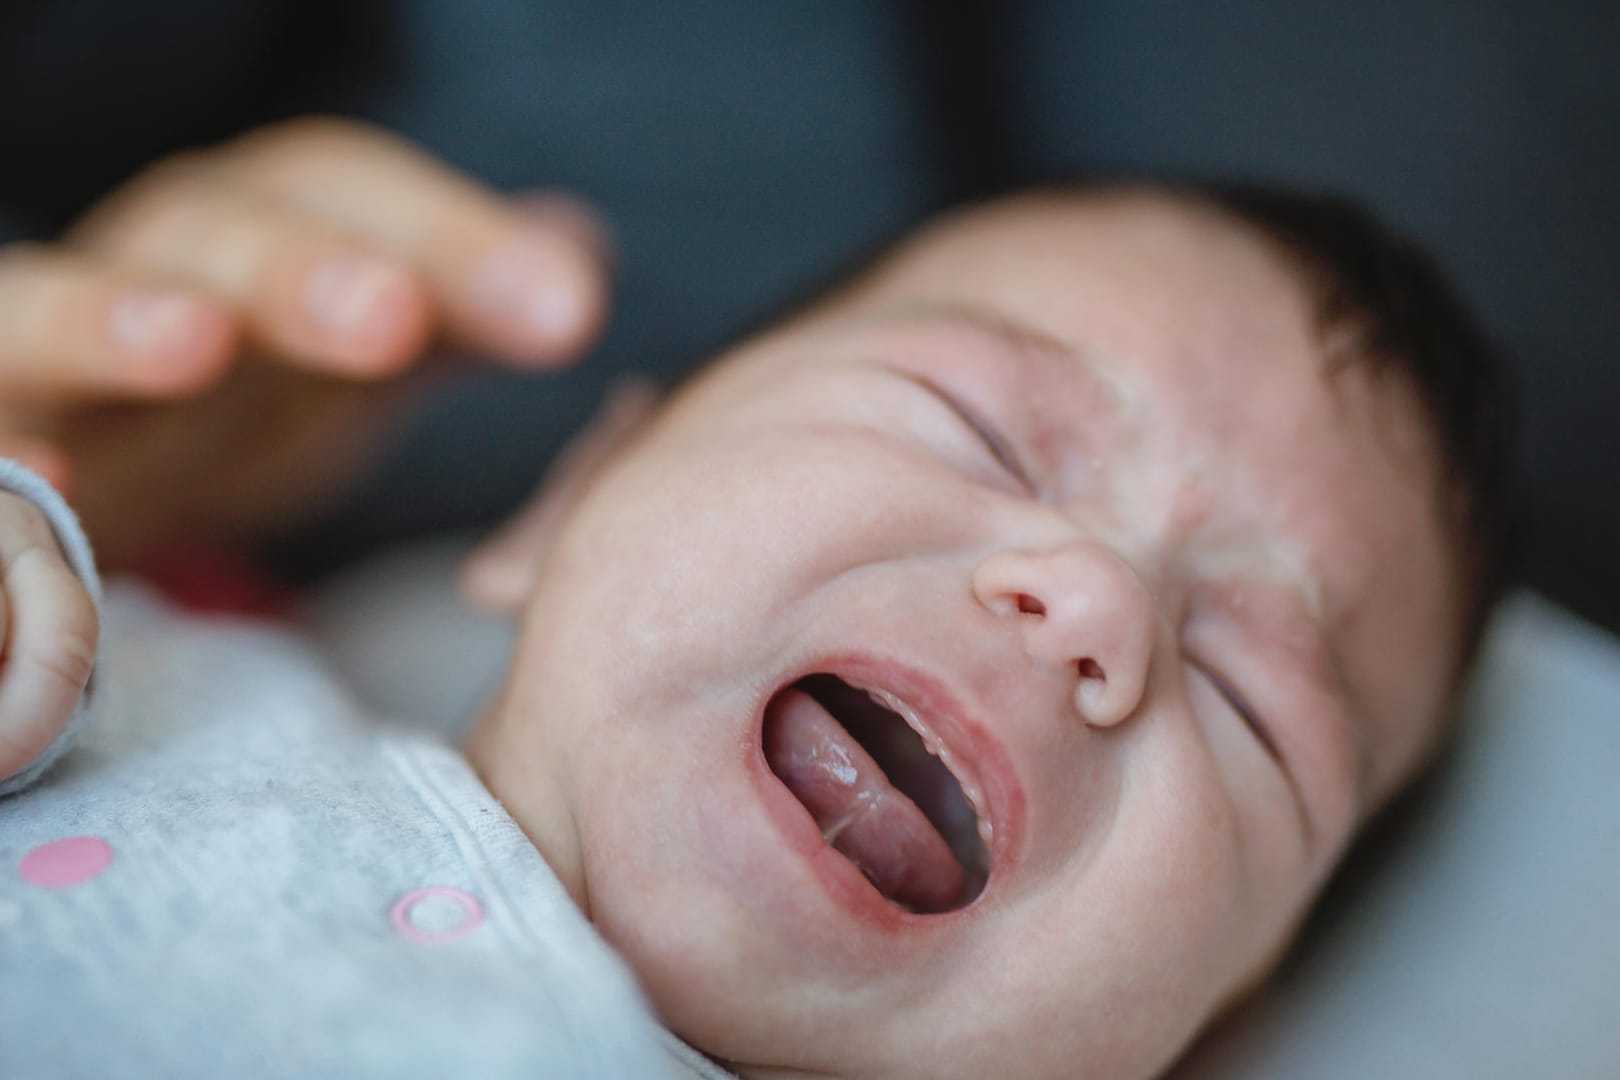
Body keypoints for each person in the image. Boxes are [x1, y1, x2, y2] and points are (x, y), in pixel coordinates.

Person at [0, 177, 1517, 1079]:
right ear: (571, 494)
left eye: (1252, 707)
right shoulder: (122, 665)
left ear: (1202, 1033)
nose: (1100, 606)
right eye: (976, 427)